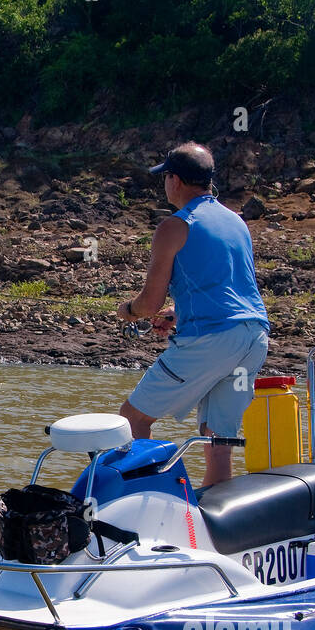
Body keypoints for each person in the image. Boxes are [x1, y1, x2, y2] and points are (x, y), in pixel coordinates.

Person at [116, 142, 270, 487]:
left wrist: (128, 311)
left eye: (165, 177)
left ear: (174, 180)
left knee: (132, 419)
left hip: (213, 340)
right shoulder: (236, 222)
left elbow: (148, 303)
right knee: (218, 438)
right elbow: (225, 288)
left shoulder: (174, 226)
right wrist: (177, 312)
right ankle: (216, 520)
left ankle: (150, 500)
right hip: (254, 337)